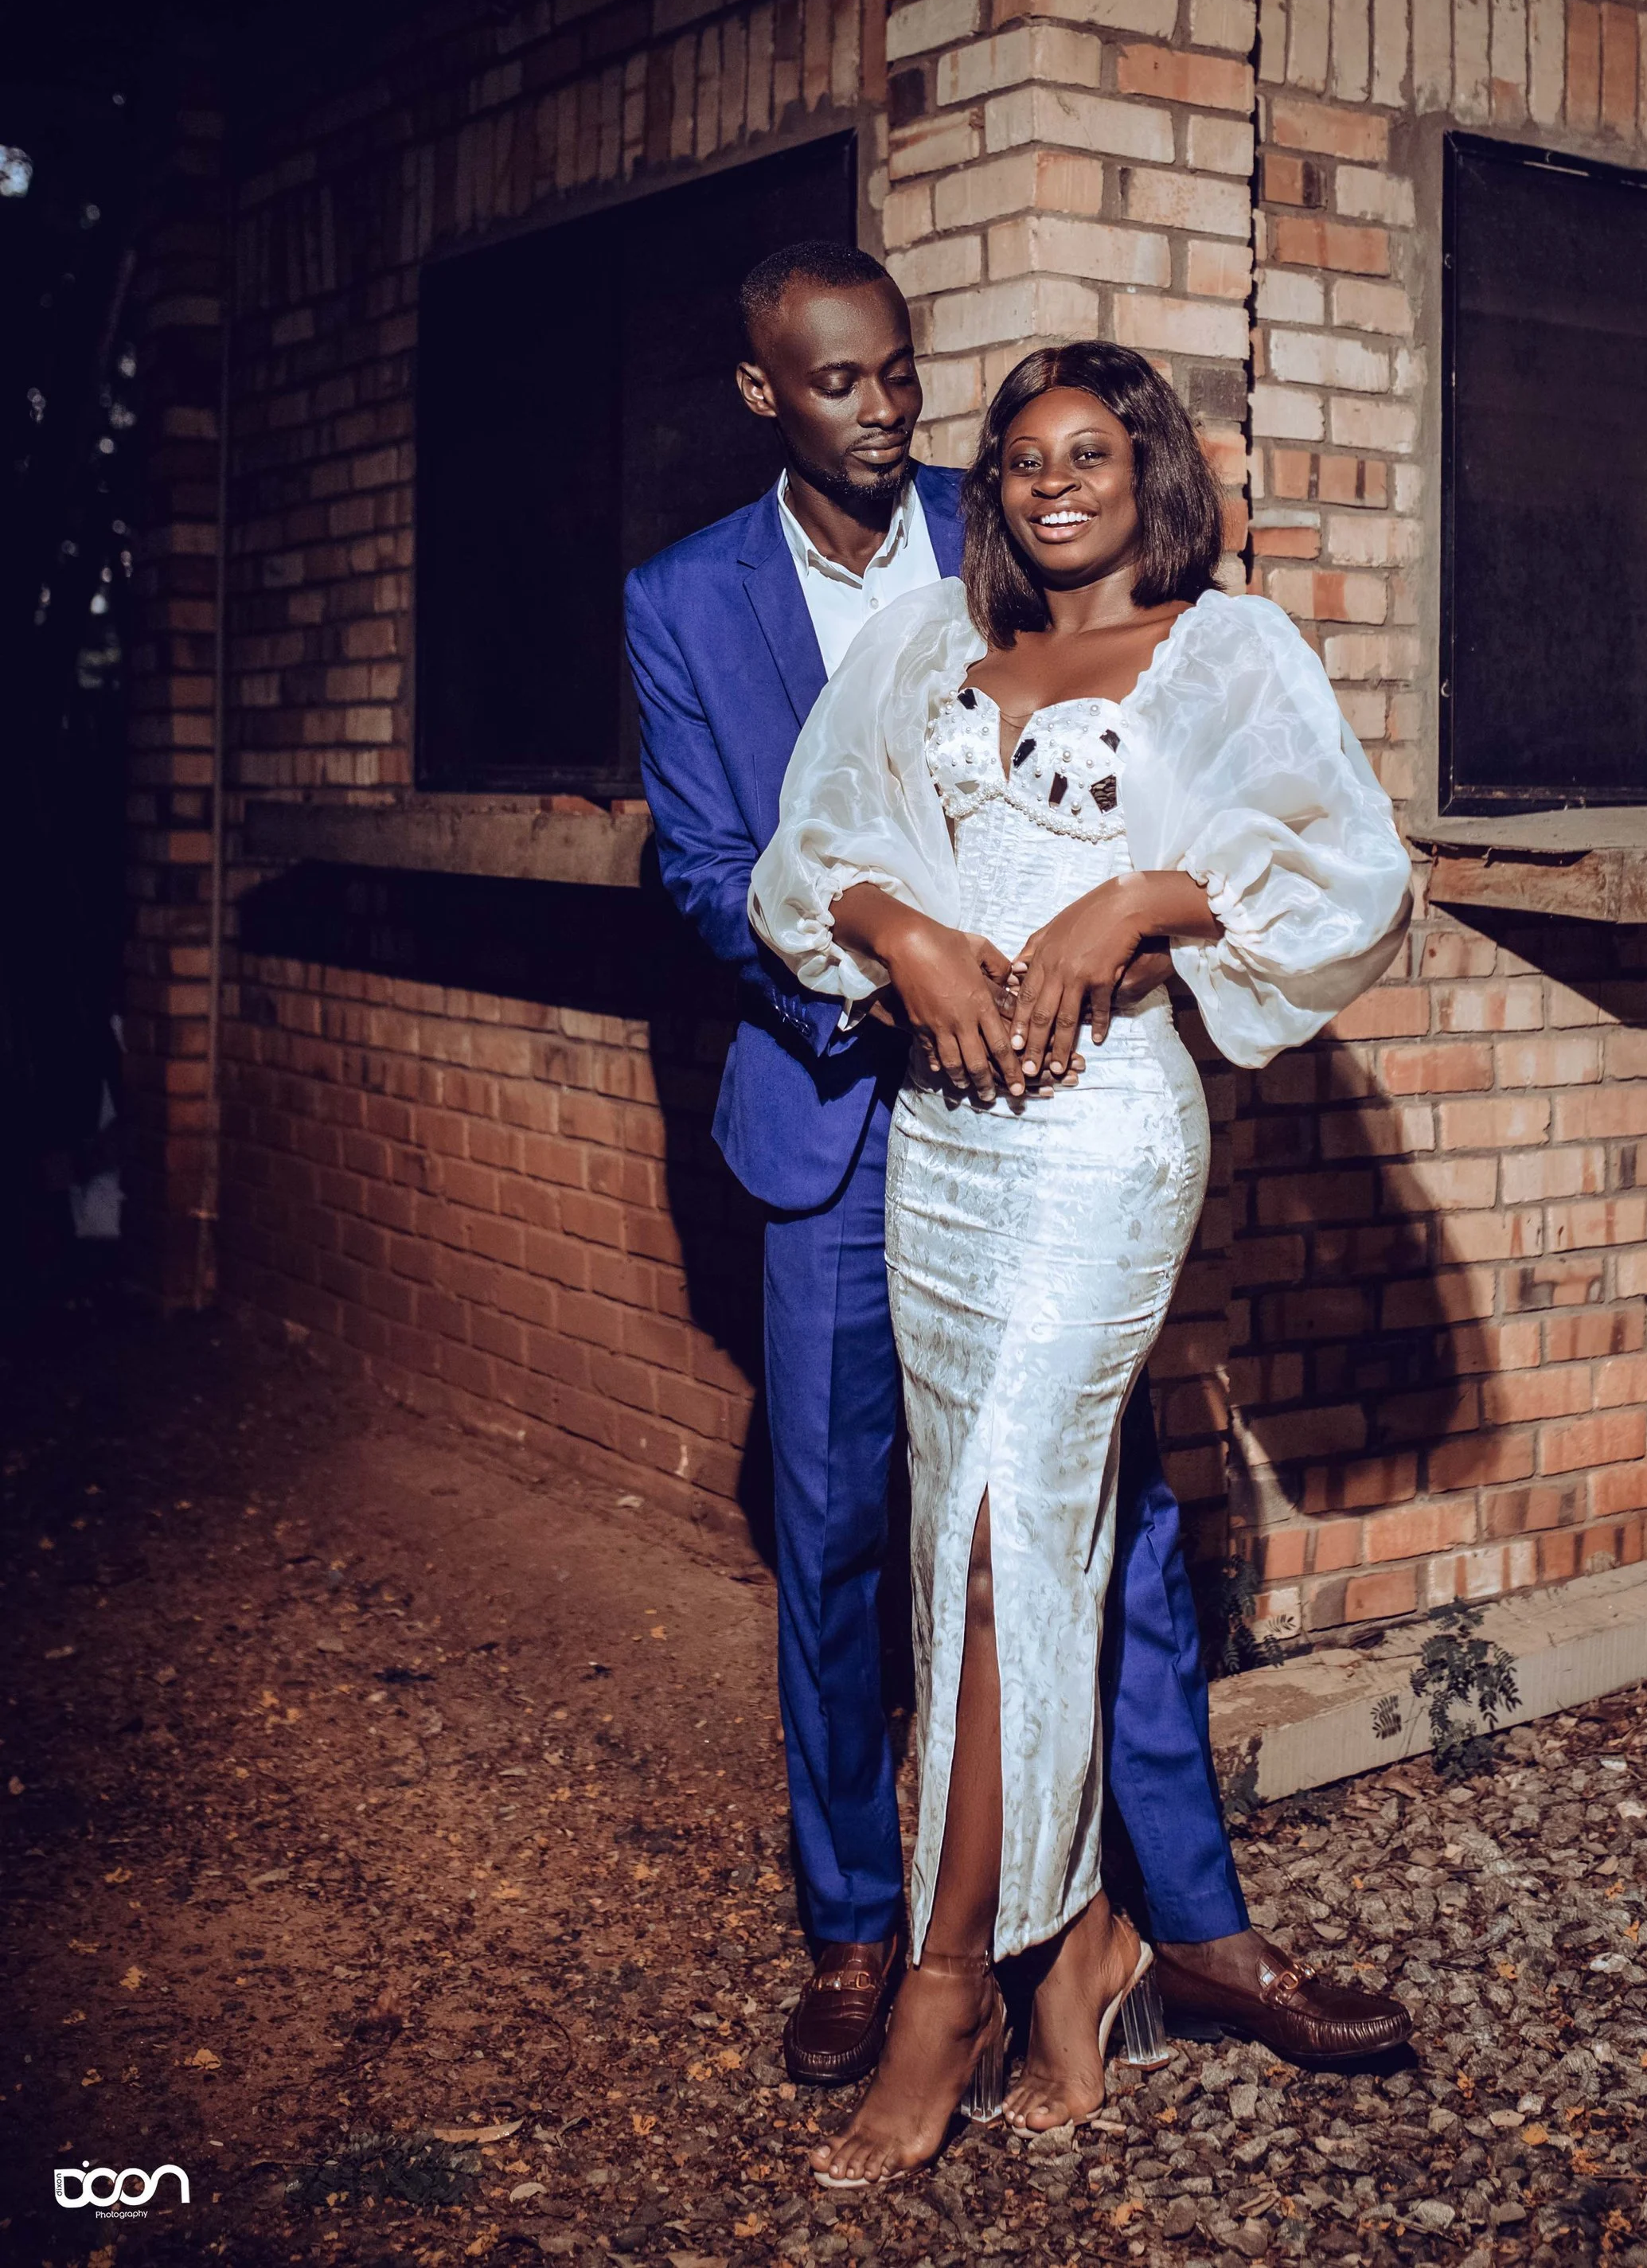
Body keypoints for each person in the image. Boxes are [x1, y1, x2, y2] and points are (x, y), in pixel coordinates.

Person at [626, 256, 1411, 2106]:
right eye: (840, 384)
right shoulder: (705, 600)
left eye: (907, 378)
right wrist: (894, 938)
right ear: (766, 395)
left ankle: (1071, 1941)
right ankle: (906, 1931)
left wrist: (1142, 904)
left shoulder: (1067, 561)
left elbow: (1315, 857)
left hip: (1089, 1134)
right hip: (867, 1124)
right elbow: (725, 861)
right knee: (861, 1541)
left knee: (1060, 1531)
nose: (887, 413)